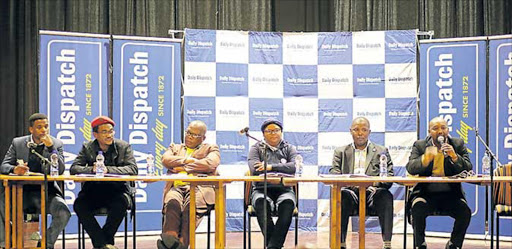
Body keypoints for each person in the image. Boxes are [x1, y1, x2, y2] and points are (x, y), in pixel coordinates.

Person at [0, 113, 71, 249]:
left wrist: (51, 149)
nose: (44, 130)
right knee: (0, 205)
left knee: (64, 213)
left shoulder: (56, 144)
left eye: (46, 127)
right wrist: (15, 169)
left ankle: (45, 244)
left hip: (47, 193)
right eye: (39, 127)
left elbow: (60, 170)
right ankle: (6, 243)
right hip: (20, 193)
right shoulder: (18, 143)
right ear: (31, 129)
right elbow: (4, 166)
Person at [70, 116, 138, 249]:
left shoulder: (123, 147)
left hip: (117, 191)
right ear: (95, 134)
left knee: (122, 203)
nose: (109, 135)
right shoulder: (88, 147)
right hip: (93, 191)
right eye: (105, 132)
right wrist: (91, 169)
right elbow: (74, 168)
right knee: (79, 205)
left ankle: (101, 244)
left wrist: (108, 170)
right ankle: (104, 244)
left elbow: (133, 168)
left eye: (111, 131)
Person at [406, 117, 473, 249]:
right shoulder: (420, 145)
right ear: (429, 131)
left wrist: (454, 157)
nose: (440, 131)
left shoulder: (457, 144)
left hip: (451, 195)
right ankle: (420, 244)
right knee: (417, 207)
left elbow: (468, 167)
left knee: (465, 212)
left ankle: (454, 244)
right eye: (435, 128)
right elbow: (410, 167)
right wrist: (424, 159)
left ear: (447, 130)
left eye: (443, 128)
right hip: (425, 194)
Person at [329, 117, 394, 249]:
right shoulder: (340, 152)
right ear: (350, 131)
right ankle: (340, 243)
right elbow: (334, 174)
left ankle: (387, 243)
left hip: (372, 194)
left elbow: (389, 177)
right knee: (342, 196)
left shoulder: (381, 151)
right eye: (356, 130)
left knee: (386, 195)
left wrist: (371, 185)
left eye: (364, 130)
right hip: (350, 192)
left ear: (369, 132)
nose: (360, 133)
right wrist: (353, 184)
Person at [159, 120, 220, 249]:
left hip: (200, 188)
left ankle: (176, 244)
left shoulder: (210, 148)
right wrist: (187, 160)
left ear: (203, 138)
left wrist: (183, 168)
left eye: (194, 135)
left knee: (190, 209)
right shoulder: (175, 147)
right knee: (172, 204)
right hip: (177, 187)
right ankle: (172, 240)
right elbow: (166, 160)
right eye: (188, 132)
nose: (189, 136)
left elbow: (210, 163)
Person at [248, 119, 298, 249]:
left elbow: (293, 167)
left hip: (284, 189)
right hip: (261, 189)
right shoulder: (256, 148)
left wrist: (270, 167)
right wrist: (282, 167)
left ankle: (272, 246)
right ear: (263, 134)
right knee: (261, 204)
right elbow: (254, 169)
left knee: (288, 205)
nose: (273, 133)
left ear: (281, 132)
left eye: (276, 130)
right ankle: (275, 246)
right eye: (269, 131)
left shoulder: (289, 148)